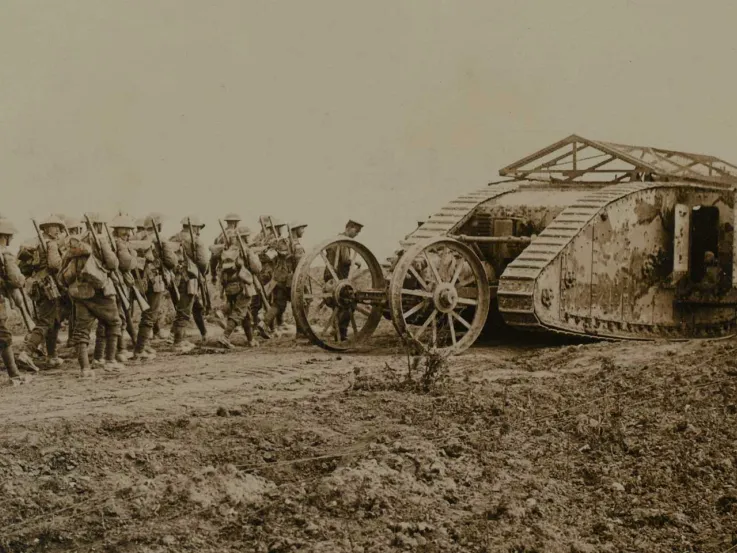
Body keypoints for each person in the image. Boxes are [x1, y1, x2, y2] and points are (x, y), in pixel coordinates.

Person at [59, 212, 121, 377]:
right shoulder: (100, 240)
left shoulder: (75, 243)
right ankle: (110, 361)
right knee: (114, 323)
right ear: (99, 225)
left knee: (81, 331)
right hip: (101, 291)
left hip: (80, 292)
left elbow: (62, 266)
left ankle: (85, 369)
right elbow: (113, 263)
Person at [18, 214, 66, 368]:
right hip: (49, 287)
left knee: (55, 320)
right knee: (46, 321)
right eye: (55, 226)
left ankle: (52, 356)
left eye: (59, 227)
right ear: (46, 228)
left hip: (38, 286)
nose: (58, 230)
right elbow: (55, 265)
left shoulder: (34, 244)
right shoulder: (50, 244)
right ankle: (26, 352)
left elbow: (23, 268)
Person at [131, 213, 177, 360]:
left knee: (143, 314)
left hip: (138, 279)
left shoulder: (136, 238)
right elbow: (171, 261)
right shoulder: (160, 239)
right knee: (150, 314)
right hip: (154, 280)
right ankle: (140, 349)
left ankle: (142, 345)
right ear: (158, 226)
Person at [0, 217, 39, 381]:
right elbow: (16, 279)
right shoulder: (4, 253)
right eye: (10, 236)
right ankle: (14, 375)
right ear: (4, 236)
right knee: (4, 336)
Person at [168, 216, 210, 351]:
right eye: (198, 228)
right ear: (195, 227)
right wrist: (202, 274)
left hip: (175, 278)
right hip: (190, 278)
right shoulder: (195, 240)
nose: (199, 230)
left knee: (196, 306)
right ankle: (178, 341)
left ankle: (204, 334)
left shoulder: (173, 239)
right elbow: (203, 262)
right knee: (184, 310)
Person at [217, 226, 262, 348]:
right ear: (245, 237)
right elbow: (257, 268)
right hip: (243, 286)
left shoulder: (227, 251)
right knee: (239, 312)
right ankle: (225, 336)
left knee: (245, 313)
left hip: (230, 287)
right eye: (248, 236)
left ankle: (251, 340)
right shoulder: (246, 250)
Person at [324, 219, 363, 341]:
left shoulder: (335, 240)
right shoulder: (344, 242)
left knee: (337, 304)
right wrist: (355, 262)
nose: (356, 235)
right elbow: (346, 260)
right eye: (356, 232)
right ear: (349, 228)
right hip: (340, 276)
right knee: (349, 303)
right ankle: (341, 332)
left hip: (329, 275)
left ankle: (337, 331)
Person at [210, 213, 241, 282]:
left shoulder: (219, 236)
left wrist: (213, 273)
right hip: (236, 269)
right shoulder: (238, 235)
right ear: (235, 223)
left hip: (223, 268)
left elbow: (213, 257)